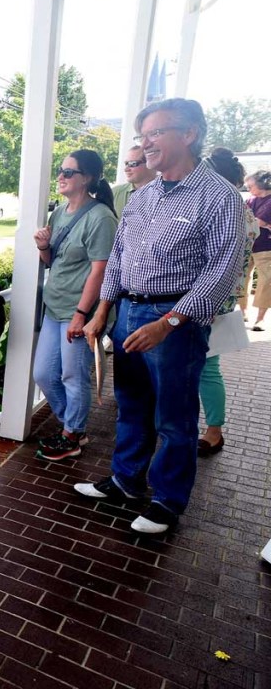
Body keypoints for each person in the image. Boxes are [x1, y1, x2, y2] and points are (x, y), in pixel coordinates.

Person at [78, 98, 245, 535]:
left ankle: (168, 501)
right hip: (129, 311)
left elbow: (222, 269)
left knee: (173, 417)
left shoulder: (219, 196)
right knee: (131, 404)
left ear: (189, 134)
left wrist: (168, 322)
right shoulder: (143, 195)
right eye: (143, 135)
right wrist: (103, 310)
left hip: (174, 321)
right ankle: (126, 481)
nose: (146, 143)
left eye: (155, 133)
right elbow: (119, 257)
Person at [32, 150, 117, 461]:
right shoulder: (59, 213)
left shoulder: (101, 218)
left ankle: (71, 435)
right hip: (55, 307)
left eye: (69, 172)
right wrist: (43, 246)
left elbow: (100, 270)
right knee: (43, 373)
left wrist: (82, 315)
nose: (61, 176)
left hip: (78, 311)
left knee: (73, 375)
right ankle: (74, 427)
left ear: (88, 178)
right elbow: (52, 261)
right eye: (61, 170)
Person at [197, 149, 257, 455]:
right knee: (205, 366)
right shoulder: (243, 210)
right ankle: (211, 429)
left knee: (207, 367)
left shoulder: (228, 208)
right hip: (220, 297)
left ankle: (214, 431)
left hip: (211, 300)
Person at [245, 170, 271, 329]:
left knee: (266, 281)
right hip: (247, 245)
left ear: (262, 184)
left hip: (266, 247)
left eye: (250, 186)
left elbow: (258, 222)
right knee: (240, 280)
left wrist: (260, 223)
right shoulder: (250, 200)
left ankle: (260, 319)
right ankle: (242, 313)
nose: (248, 189)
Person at [111, 145, 157, 218]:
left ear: (150, 163)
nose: (126, 169)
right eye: (126, 164)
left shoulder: (167, 195)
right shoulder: (114, 194)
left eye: (132, 164)